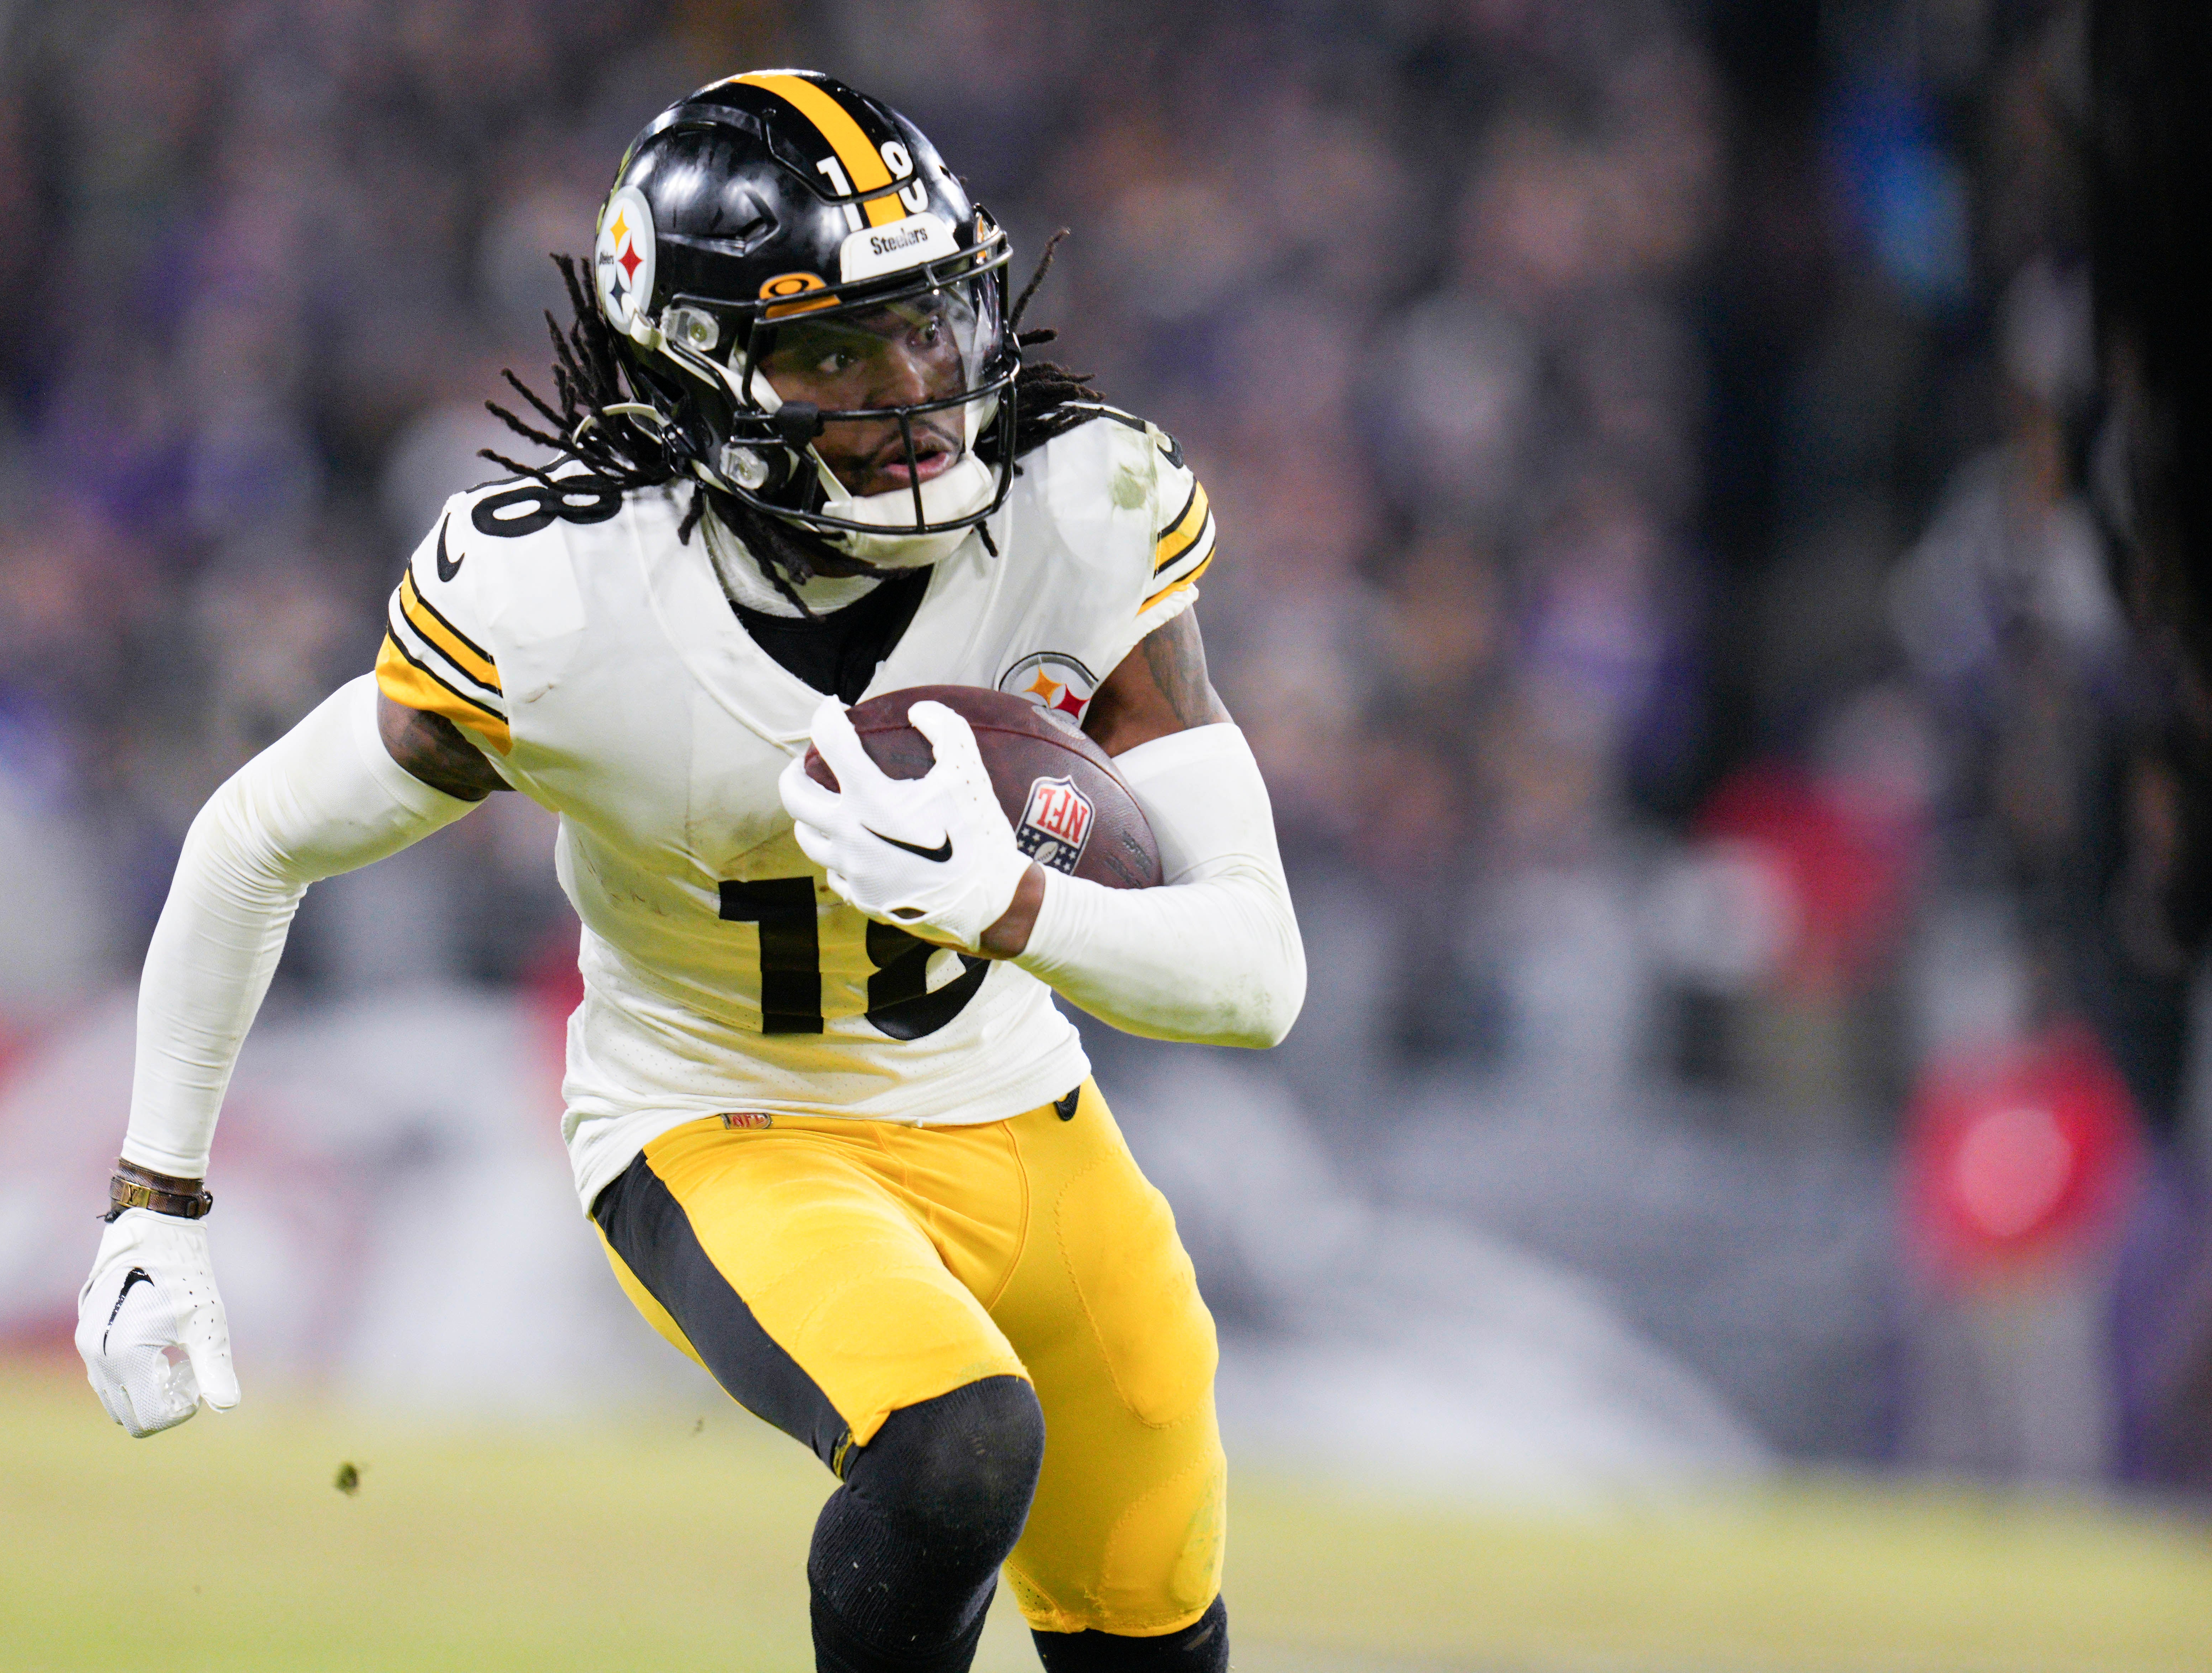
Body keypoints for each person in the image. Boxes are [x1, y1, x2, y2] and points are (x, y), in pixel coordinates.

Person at [75, 70, 1305, 1673]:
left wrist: (1016, 906)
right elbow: (255, 840)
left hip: (1019, 1111)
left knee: (1151, 1619)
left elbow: (1258, 977)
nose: (916, 388)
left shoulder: (1081, 508)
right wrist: (155, 1201)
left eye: (928, 322)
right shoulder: (564, 603)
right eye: (835, 351)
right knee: (954, 1443)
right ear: (697, 376)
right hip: (721, 1120)